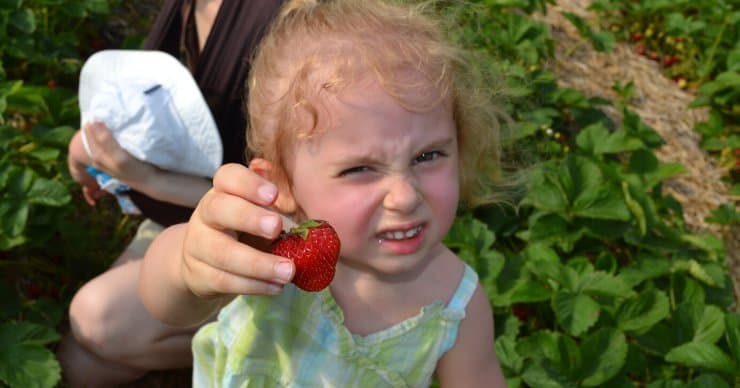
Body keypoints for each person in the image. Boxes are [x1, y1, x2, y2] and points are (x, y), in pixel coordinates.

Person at [140, 0, 508, 386]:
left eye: (428, 155)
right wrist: (187, 265)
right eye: (360, 168)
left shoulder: (455, 304)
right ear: (280, 184)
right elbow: (165, 305)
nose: (404, 197)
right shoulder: (268, 244)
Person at [57, 0, 284, 386]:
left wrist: (147, 180)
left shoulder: (294, 21)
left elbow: (283, 211)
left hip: (265, 242)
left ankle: (295, 352)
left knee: (98, 321)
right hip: (188, 208)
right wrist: (89, 150)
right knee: (78, 363)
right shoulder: (200, 9)